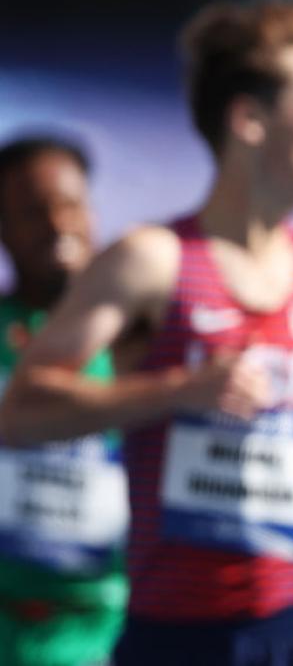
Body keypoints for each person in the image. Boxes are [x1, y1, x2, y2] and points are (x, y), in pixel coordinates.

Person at [0, 0, 293, 665]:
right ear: (249, 120)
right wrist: (177, 388)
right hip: (178, 632)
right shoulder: (152, 261)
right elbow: (21, 410)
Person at [0, 134, 128, 666]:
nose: (58, 225)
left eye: (71, 204)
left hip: (110, 631)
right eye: (33, 212)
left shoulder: (143, 339)